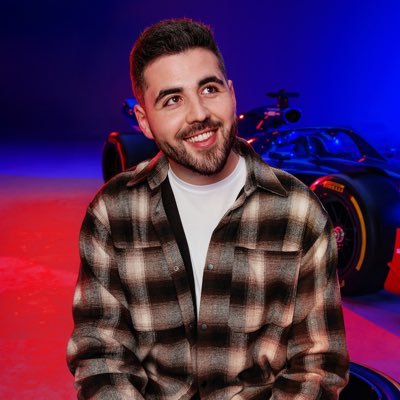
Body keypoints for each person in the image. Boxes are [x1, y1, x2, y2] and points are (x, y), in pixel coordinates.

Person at [67, 18, 349, 399]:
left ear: (231, 94)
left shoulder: (299, 213)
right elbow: (101, 356)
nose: (198, 113)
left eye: (209, 89)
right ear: (144, 121)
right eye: (172, 100)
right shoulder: (112, 214)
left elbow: (318, 365)